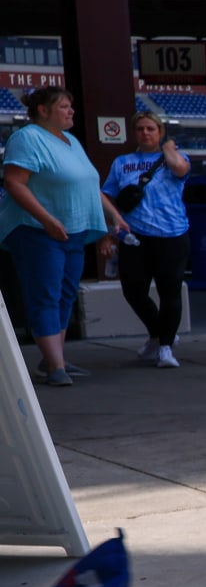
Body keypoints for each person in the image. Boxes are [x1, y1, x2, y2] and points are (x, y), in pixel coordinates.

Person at [2, 87, 126, 387]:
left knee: (66, 294)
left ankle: (54, 358)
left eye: (71, 106)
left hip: (74, 230)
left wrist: (114, 215)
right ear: (43, 110)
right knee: (45, 294)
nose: (71, 111)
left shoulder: (71, 141)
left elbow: (88, 184)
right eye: (64, 107)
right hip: (37, 230)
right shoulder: (27, 138)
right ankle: (56, 365)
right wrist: (47, 220)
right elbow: (14, 183)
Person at [101, 112, 191, 369]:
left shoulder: (173, 156)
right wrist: (112, 228)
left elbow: (180, 169)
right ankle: (159, 333)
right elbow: (106, 194)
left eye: (151, 128)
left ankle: (165, 347)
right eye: (140, 129)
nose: (145, 133)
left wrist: (168, 147)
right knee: (133, 290)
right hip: (135, 234)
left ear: (160, 131)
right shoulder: (123, 162)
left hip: (171, 233)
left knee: (169, 290)